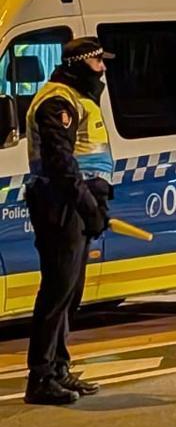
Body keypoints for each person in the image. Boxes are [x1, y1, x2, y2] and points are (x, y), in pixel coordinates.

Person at [23, 37, 116, 405]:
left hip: (74, 202)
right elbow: (59, 163)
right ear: (80, 64)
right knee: (57, 290)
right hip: (59, 204)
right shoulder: (58, 101)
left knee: (71, 292)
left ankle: (59, 369)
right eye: (98, 63)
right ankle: (40, 377)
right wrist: (86, 205)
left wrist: (95, 201)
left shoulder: (76, 98)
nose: (103, 69)